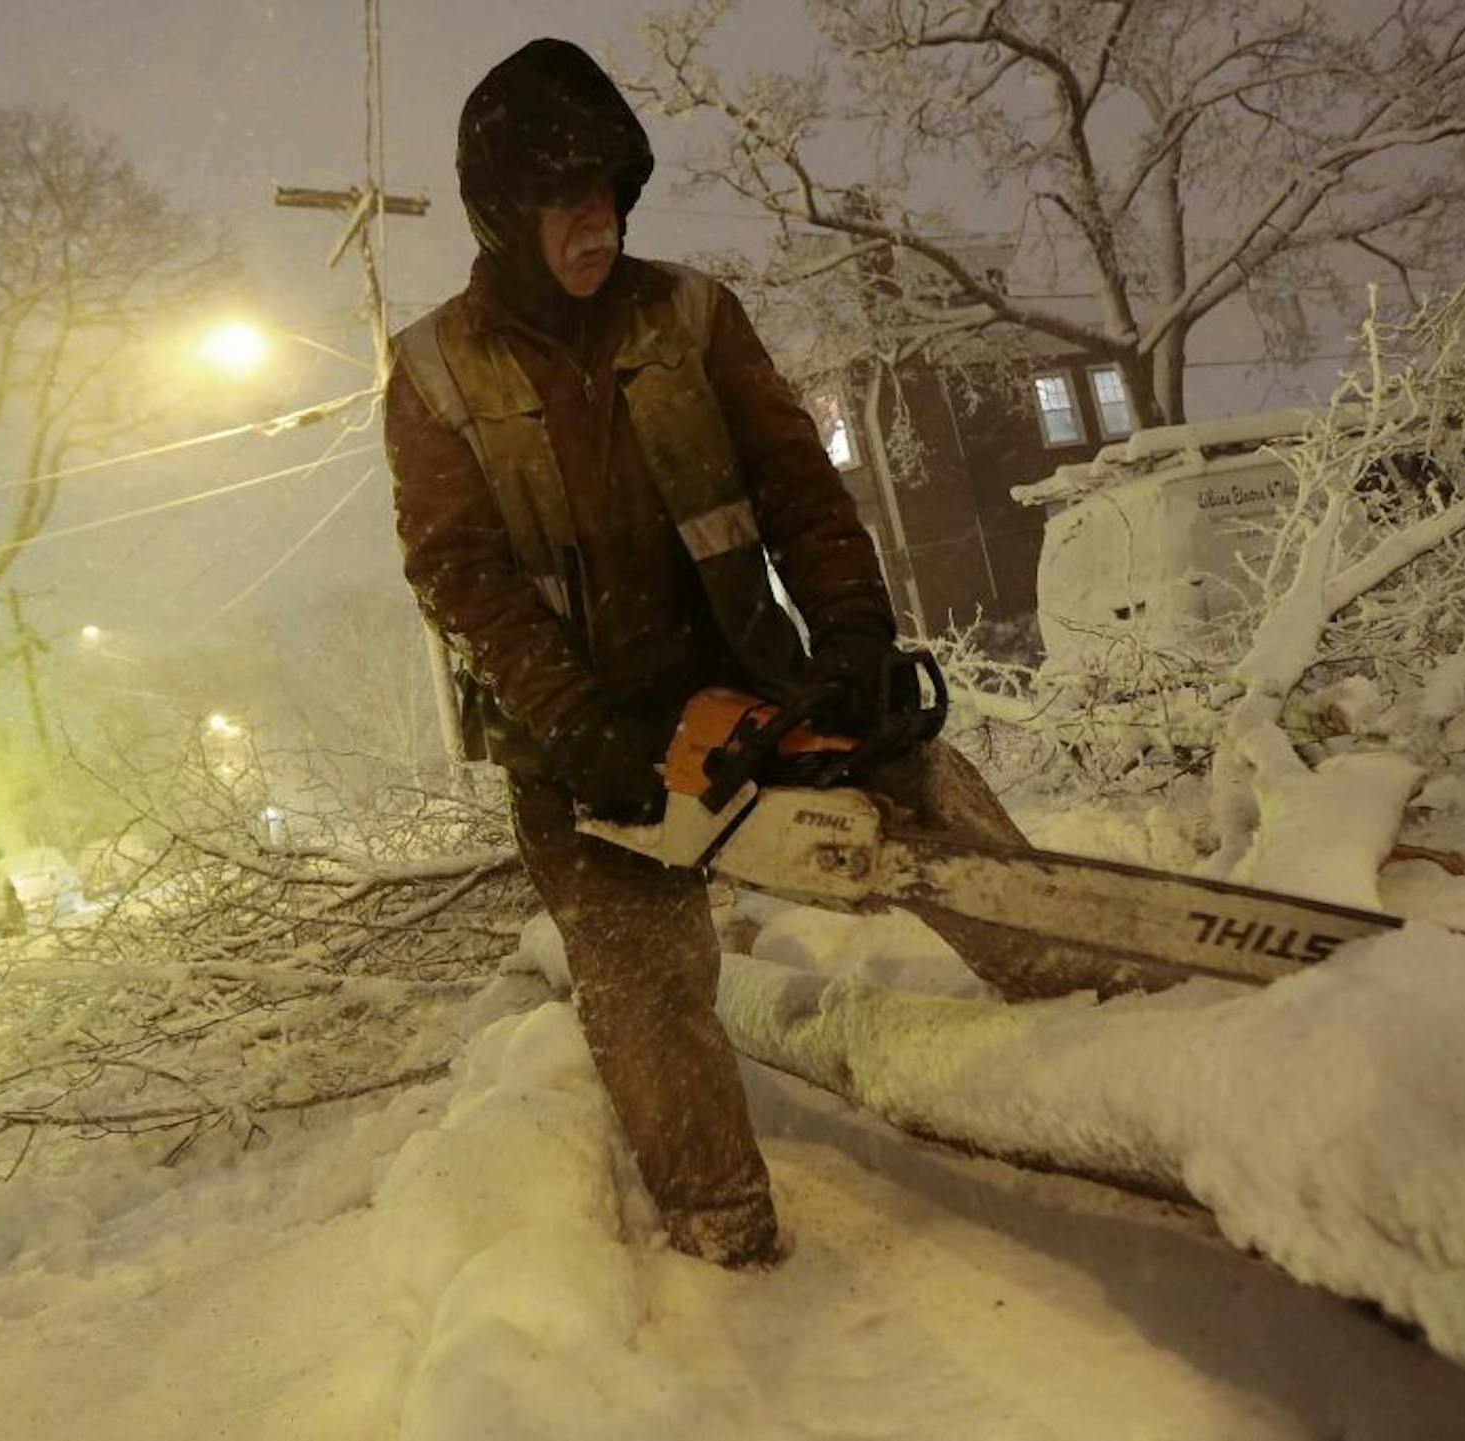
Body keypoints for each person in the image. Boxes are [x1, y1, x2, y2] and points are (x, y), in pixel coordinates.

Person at [385, 38, 1024, 1269]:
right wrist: (577, 729)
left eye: (610, 193)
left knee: (938, 805)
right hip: (584, 747)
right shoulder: (433, 372)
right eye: (564, 199)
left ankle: (1105, 996)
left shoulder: (692, 315)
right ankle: (727, 1238)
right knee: (645, 982)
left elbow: (799, 487)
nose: (596, 222)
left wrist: (850, 638)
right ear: (504, 214)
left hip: (748, 684)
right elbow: (457, 574)